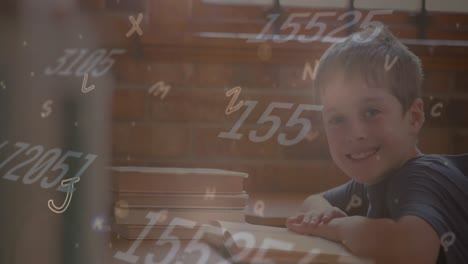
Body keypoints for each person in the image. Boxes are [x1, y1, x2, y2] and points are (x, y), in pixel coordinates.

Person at [286, 27, 468, 264]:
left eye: (371, 112)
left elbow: (413, 247)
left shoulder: (423, 176)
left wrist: (340, 227)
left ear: (413, 117)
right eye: (338, 119)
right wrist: (321, 214)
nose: (356, 133)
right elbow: (314, 200)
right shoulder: (372, 184)